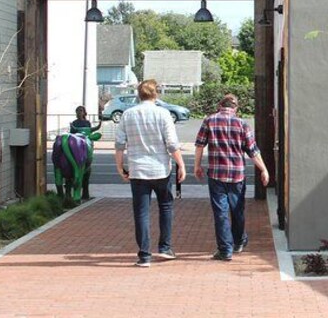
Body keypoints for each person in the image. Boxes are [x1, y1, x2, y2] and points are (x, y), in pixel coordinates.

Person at [115, 79, 186, 267]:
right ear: (156, 94)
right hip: (161, 168)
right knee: (165, 206)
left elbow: (120, 143)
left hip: (138, 169)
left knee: (141, 212)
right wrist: (181, 164)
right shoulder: (163, 114)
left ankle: (144, 255)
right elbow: (172, 144)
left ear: (139, 94)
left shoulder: (128, 115)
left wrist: (119, 166)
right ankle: (165, 247)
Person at [194, 93, 269, 261]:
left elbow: (199, 145)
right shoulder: (242, 124)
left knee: (220, 212)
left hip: (216, 174)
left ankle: (225, 250)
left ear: (220, 106)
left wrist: (197, 166)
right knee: (237, 210)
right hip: (237, 175)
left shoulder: (209, 121)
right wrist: (264, 169)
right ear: (235, 108)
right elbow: (253, 151)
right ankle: (239, 241)